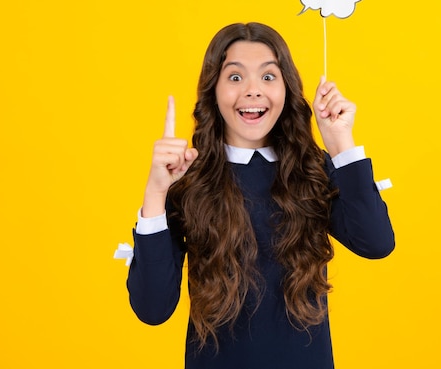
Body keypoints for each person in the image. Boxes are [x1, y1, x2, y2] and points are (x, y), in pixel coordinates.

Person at [126, 22, 394, 369]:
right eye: (235, 77)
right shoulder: (187, 182)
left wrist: (341, 142)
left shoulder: (312, 170)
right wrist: (156, 192)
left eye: (268, 77)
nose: (253, 90)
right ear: (213, 91)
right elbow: (152, 308)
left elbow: (376, 243)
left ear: (286, 90)